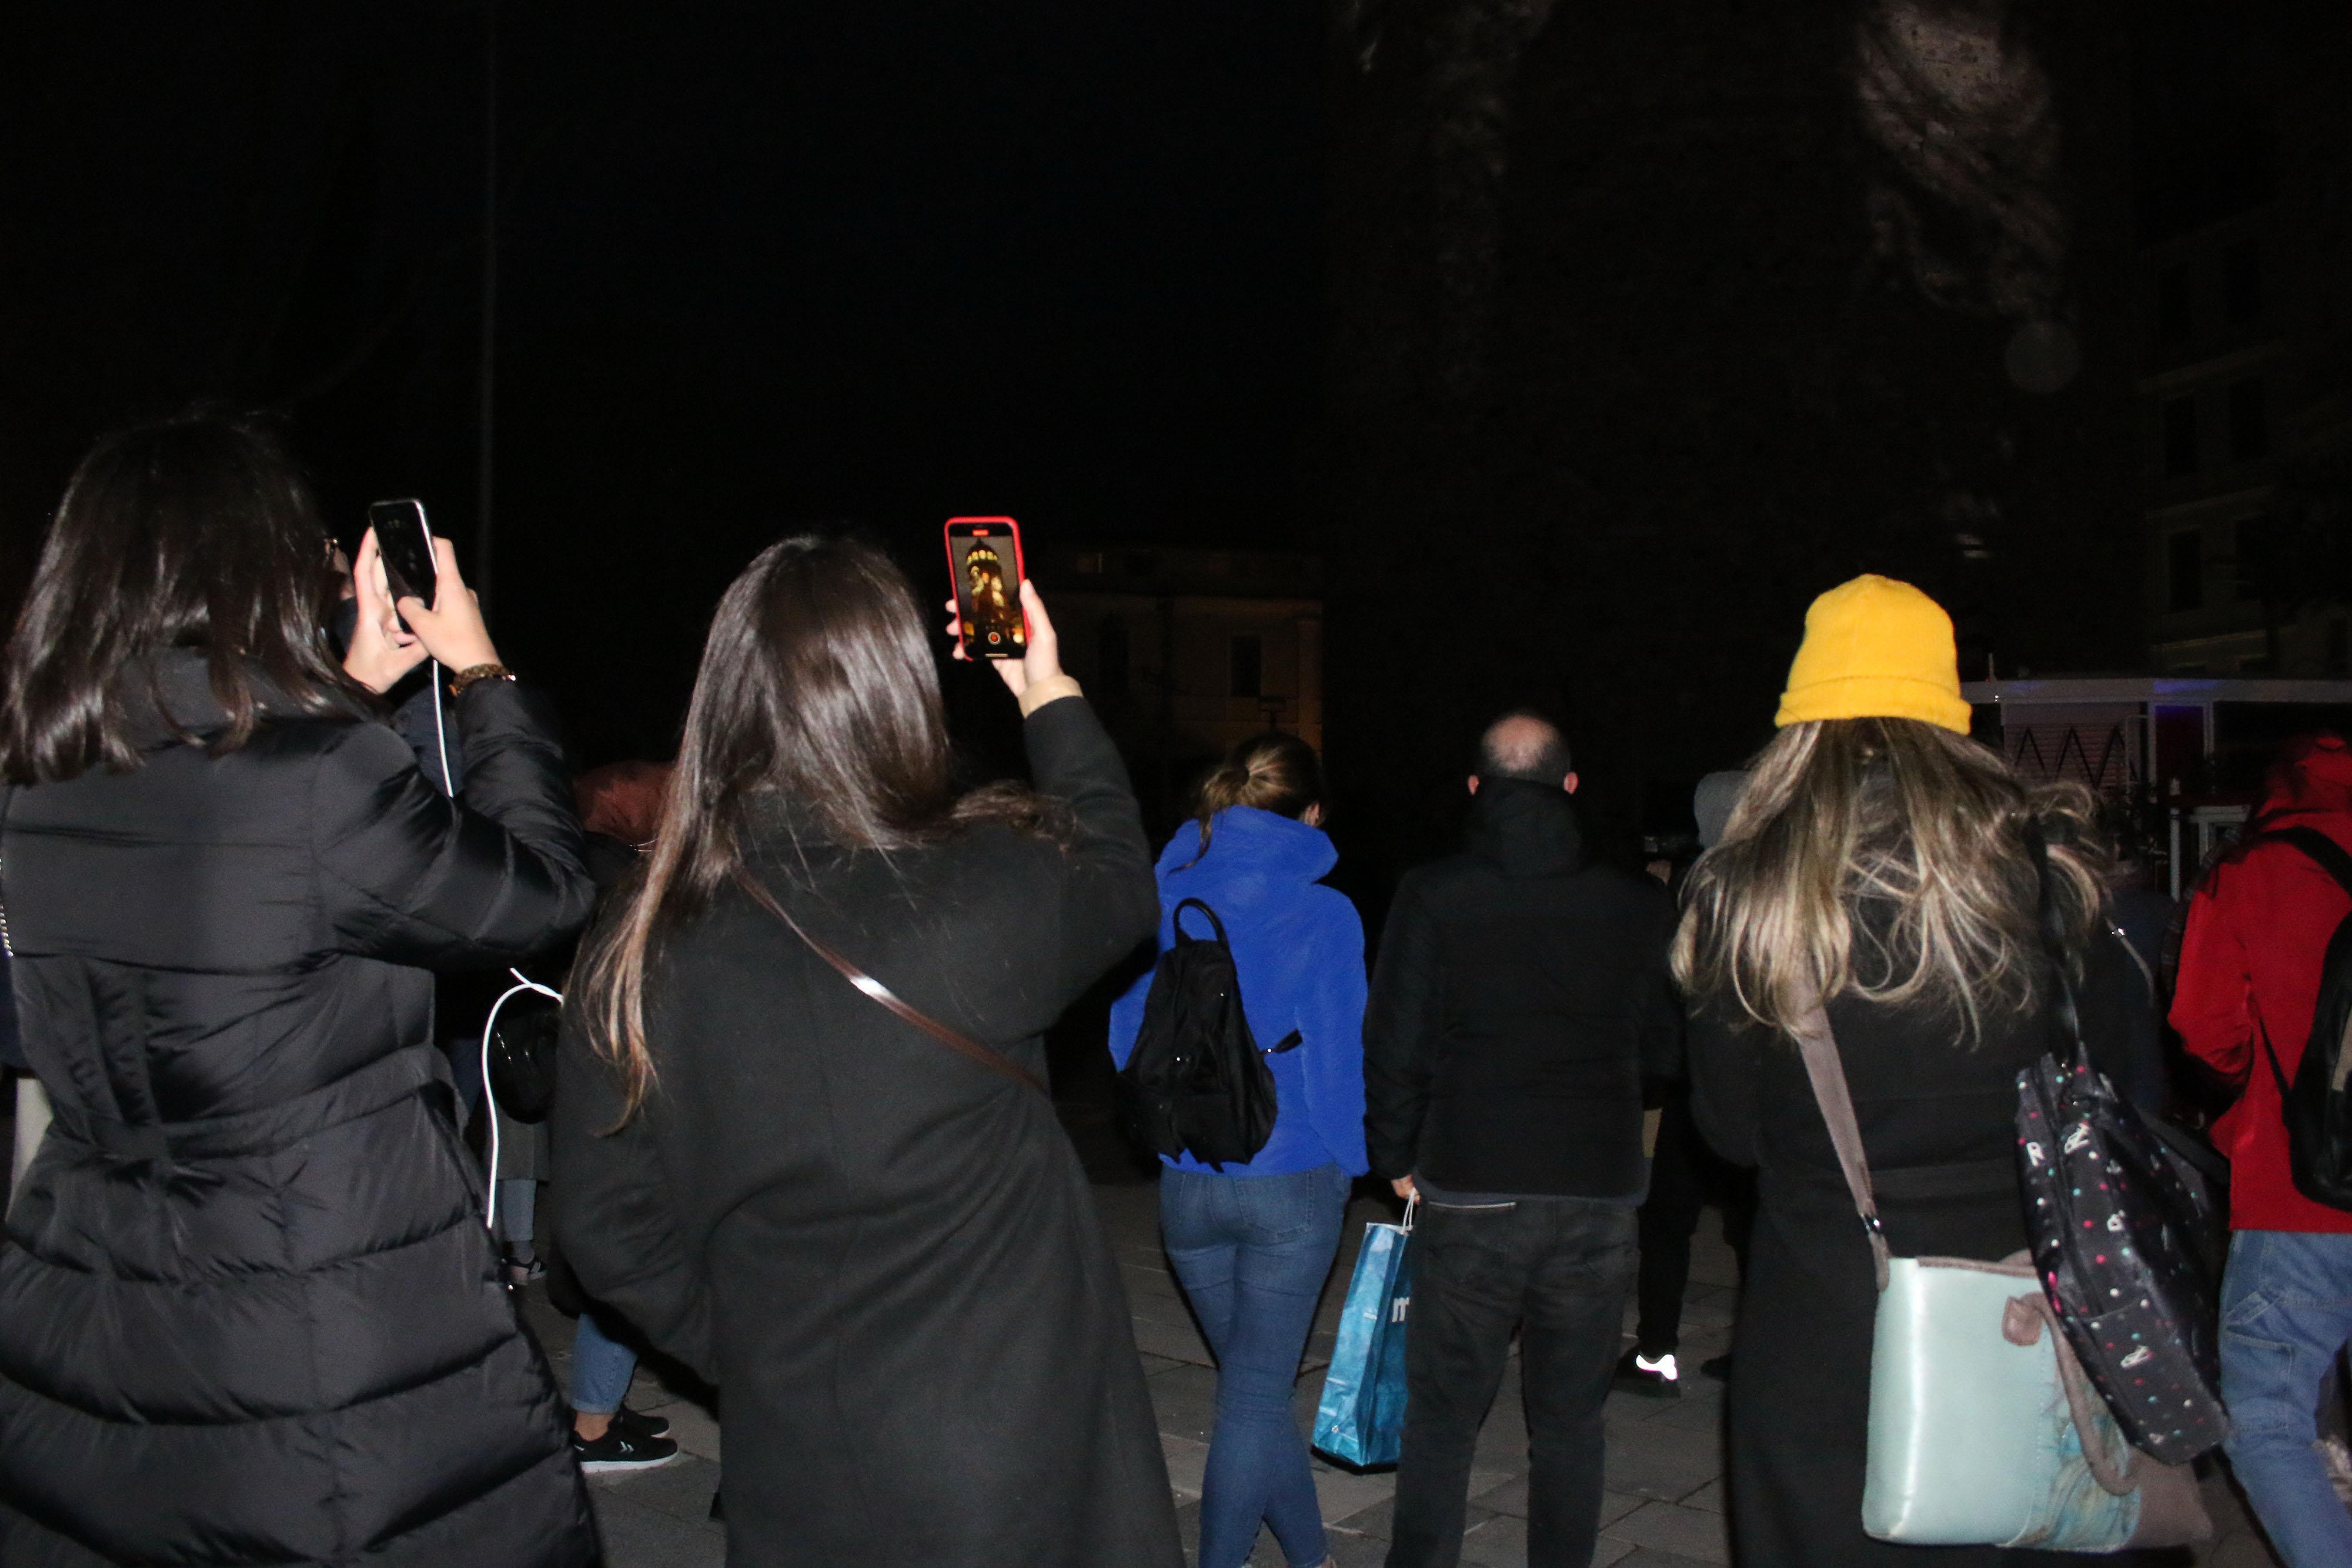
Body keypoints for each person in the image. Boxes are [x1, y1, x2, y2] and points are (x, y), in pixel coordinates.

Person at [0, 412, 598, 1566]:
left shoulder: (43, 769)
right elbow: (541, 894)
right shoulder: (322, 776)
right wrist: (483, 672)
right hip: (306, 1312)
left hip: (94, 1287)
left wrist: (351, 689)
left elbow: (243, 851)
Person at [549, 535, 1182, 1567]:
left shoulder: (640, 936)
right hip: (1011, 1448)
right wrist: (1046, 688)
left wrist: (745, 1345)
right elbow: (1117, 866)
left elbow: (602, 1221)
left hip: (795, 1453)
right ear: (898, 692)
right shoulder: (983, 881)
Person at [1678, 574, 2133, 1568]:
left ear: (1803, 720)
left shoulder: (1749, 895)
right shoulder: (2049, 878)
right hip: (2031, 1308)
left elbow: (1730, 1132)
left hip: (1830, 1322)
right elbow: (2122, 1087)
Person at [1364, 711, 1681, 1568]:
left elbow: (1394, 1039)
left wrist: (1394, 1156)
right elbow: (1665, 1050)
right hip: (1596, 1187)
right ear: (1569, 787)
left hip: (1470, 1181)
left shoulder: (1434, 893)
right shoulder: (1636, 902)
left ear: (1476, 789)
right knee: (1571, 1422)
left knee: (1442, 1418)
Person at [1108, 731, 1369, 1568]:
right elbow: (1338, 1060)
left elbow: (1125, 1039)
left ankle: (1310, 1555)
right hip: (1289, 1179)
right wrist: (1353, 1161)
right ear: (1312, 814)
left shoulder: (1161, 897)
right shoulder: (1324, 912)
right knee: (1253, 1401)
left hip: (1187, 1183)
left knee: (1254, 1394)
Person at [2170, 731, 2352, 1567]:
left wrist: (2269, 1087)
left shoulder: (2256, 869)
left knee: (2267, 1415)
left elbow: (2205, 1027)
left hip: (2300, 1189)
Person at [1614, 771, 1750, 1399]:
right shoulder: (1781, 885)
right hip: (1759, 1084)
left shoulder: (1699, 885)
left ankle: (1655, 1352)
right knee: (1751, 1224)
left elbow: (1672, 982)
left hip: (1699, 1081)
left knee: (1668, 1220)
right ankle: (1755, 1351)